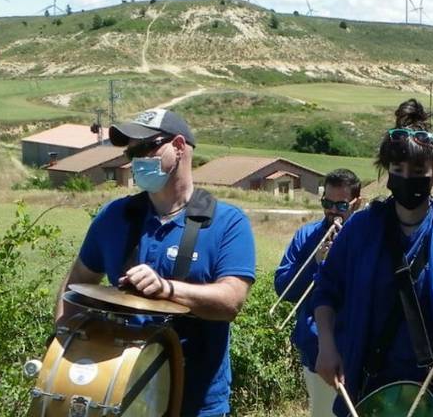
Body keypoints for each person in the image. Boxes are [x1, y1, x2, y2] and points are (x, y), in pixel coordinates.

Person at [56, 109, 256, 417]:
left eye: (144, 148)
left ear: (178, 147)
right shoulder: (114, 217)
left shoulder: (227, 223)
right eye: (130, 152)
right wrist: (63, 344)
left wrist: (166, 288)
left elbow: (231, 301)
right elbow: (78, 280)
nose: (135, 160)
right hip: (118, 395)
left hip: (199, 403)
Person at [313, 100, 433, 417]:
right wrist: (326, 344)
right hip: (369, 387)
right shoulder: (360, 230)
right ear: (387, 171)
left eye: (418, 171)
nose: (407, 178)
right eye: (398, 170)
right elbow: (326, 291)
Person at [275, 169, 363, 417]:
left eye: (341, 205)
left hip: (358, 350)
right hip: (316, 350)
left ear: (357, 203)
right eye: (327, 203)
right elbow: (283, 290)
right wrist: (315, 263)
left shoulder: (366, 239)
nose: (332, 211)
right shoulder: (306, 236)